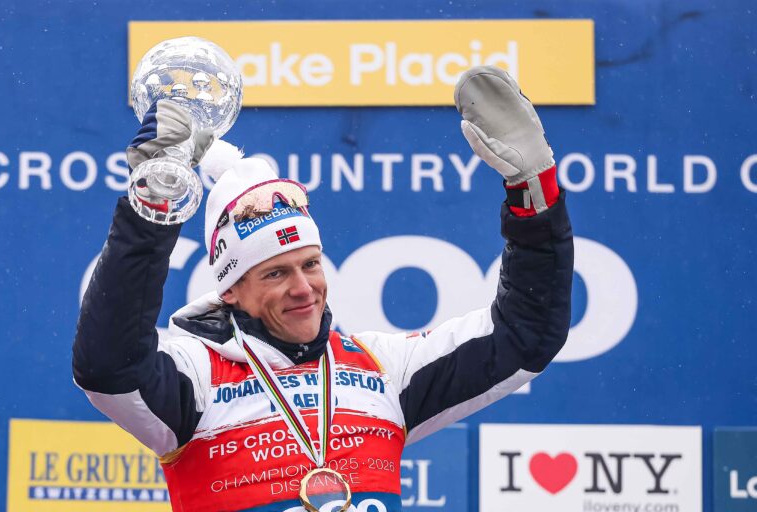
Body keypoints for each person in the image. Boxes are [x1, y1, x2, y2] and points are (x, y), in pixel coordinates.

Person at [73, 65, 573, 512]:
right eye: (275, 273)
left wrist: (534, 194)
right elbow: (107, 366)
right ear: (230, 291)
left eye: (310, 264)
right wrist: (152, 211)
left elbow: (524, 336)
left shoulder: (384, 368)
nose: (303, 289)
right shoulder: (196, 377)